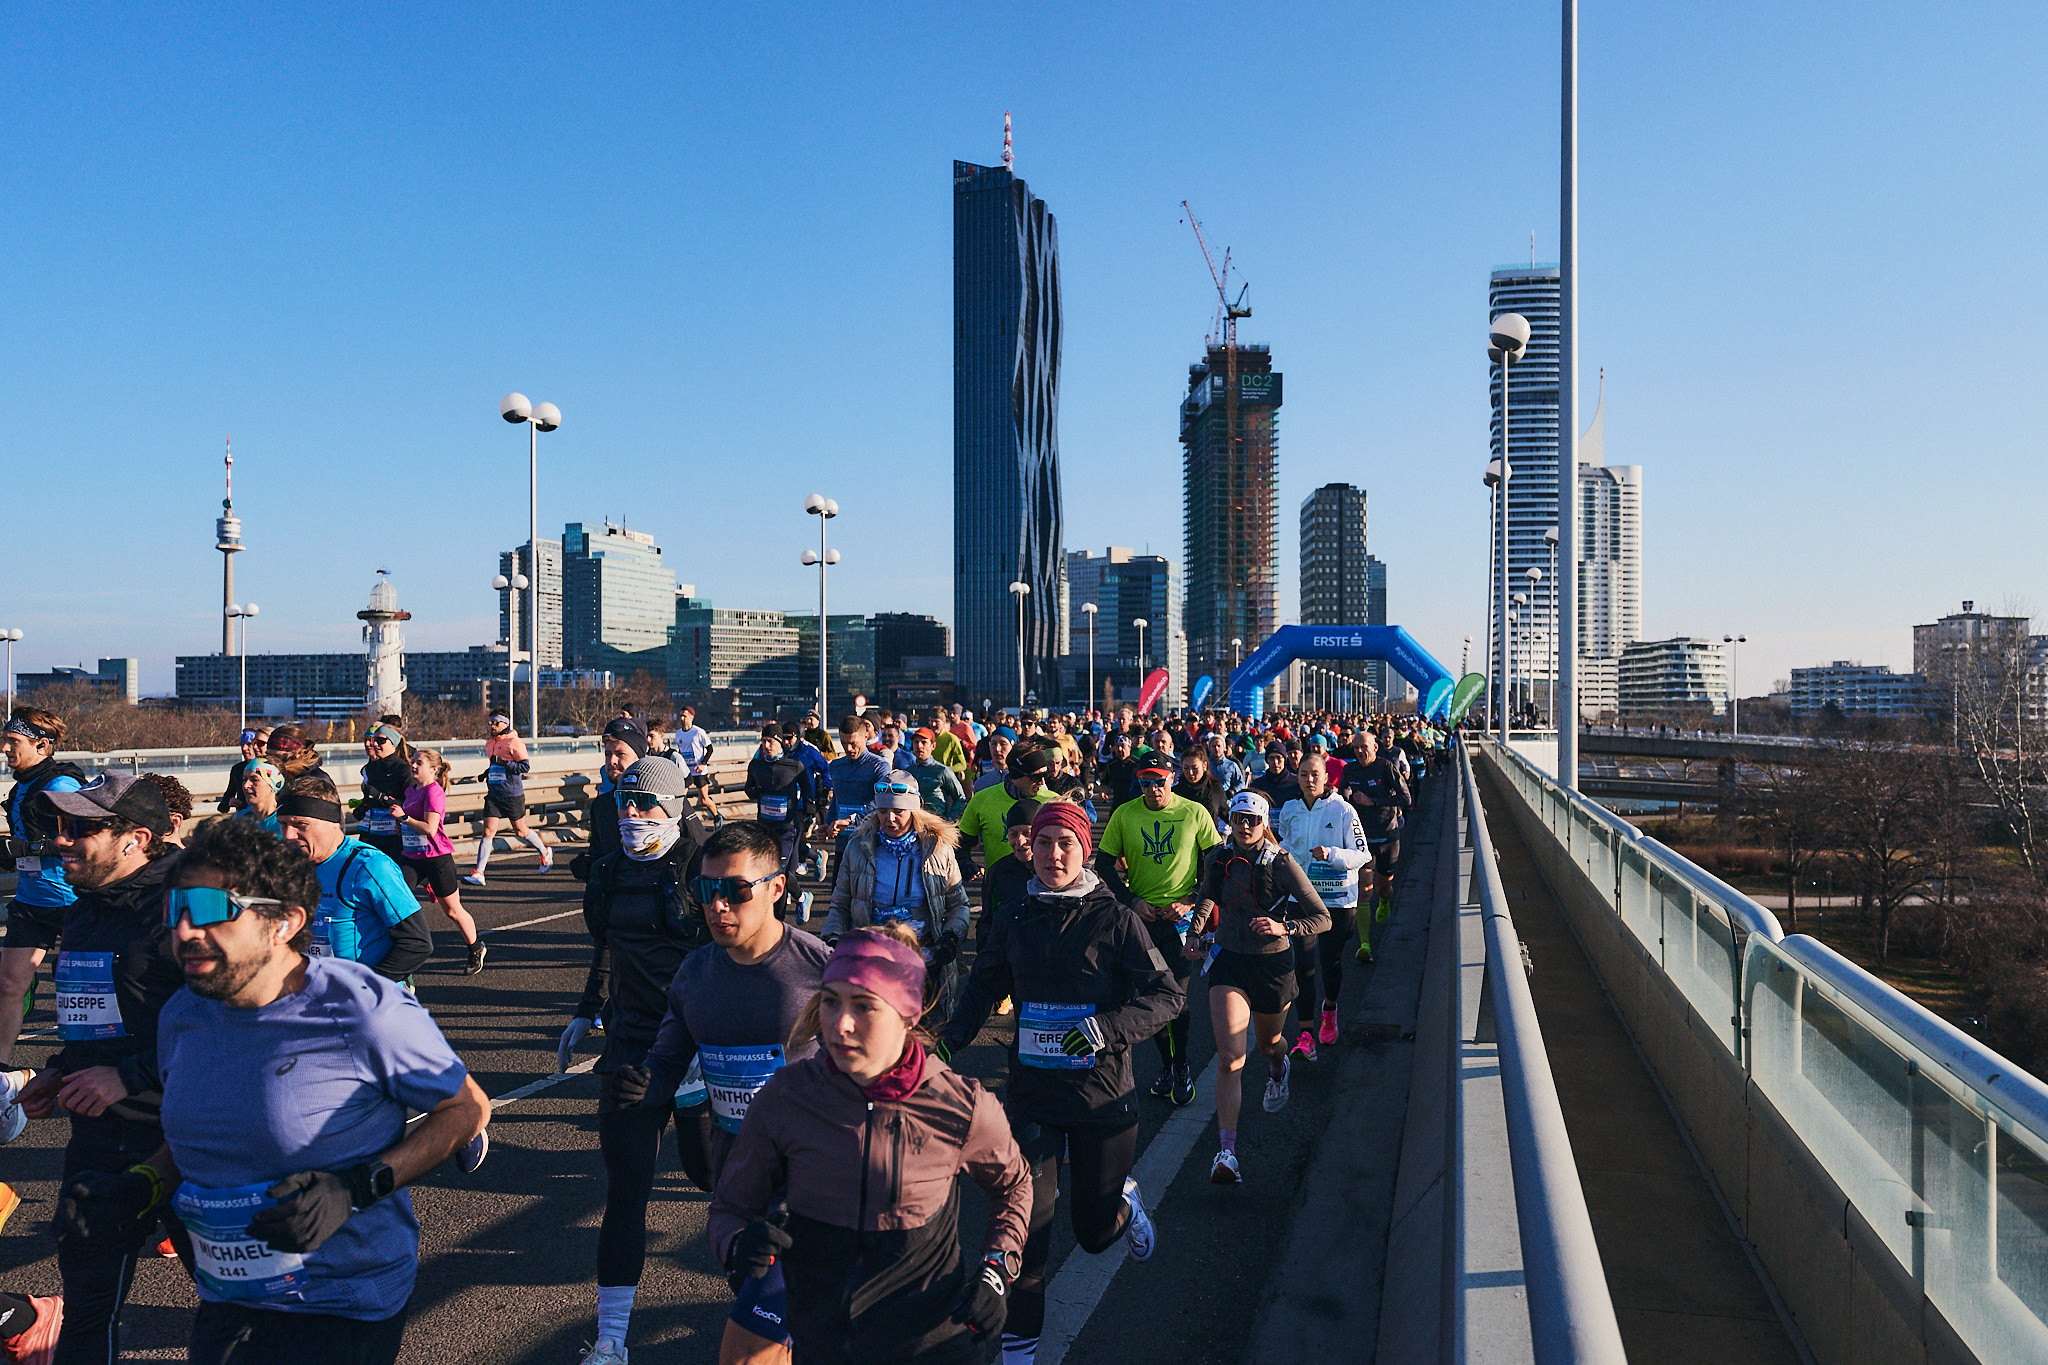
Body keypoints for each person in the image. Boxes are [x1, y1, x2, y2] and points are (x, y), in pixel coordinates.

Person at [123, 816, 487, 1363]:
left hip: (340, 1302)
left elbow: (466, 1109)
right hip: (228, 1293)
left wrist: (355, 1188)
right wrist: (141, 1184)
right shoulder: (183, 1014)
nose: (183, 932)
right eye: (174, 911)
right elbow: (206, 1132)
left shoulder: (358, 1008)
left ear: (283, 922)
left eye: (208, 910)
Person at [711, 929, 1030, 1365]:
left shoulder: (961, 1103)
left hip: (932, 1347)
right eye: (830, 1001)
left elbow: (1014, 1183)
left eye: (864, 1006)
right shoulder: (786, 1096)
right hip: (822, 1345)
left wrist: (998, 1268)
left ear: (909, 1014)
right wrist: (736, 1246)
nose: (841, 1023)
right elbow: (729, 1209)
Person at [939, 804, 1181, 1365]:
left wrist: (1106, 1029)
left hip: (1101, 1098)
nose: (1052, 854)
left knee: (1094, 1234)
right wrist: (945, 1046)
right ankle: (1019, 1358)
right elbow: (982, 987)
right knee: (1030, 1236)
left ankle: (1124, 1200)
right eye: (1043, 843)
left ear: (1085, 851)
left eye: (1065, 843)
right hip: (1032, 1098)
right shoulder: (1015, 918)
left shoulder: (1116, 919)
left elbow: (1166, 996)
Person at [594, 821, 833, 1365]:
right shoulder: (694, 974)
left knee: (750, 1351)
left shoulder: (820, 968)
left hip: (810, 1186)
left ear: (777, 888)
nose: (717, 905)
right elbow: (667, 1061)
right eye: (706, 891)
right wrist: (643, 1084)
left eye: (735, 890)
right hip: (737, 1184)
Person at [13, 773, 183, 1362]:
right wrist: (61, 1069)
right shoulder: (85, 906)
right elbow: (104, 1015)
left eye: (81, 828)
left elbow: (240, 1027)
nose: (61, 840)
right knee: (89, 1311)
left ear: (137, 838)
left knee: (241, 1312)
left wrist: (132, 1076)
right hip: (102, 1140)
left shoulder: (196, 901)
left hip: (193, 1140)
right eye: (58, 826)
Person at [569, 756, 710, 1365]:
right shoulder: (607, 870)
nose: (631, 813)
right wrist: (587, 1008)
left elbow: (750, 950)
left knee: (716, 1179)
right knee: (627, 1186)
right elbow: (609, 946)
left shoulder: (709, 869)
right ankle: (611, 1340)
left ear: (675, 807)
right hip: (630, 1049)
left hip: (701, 1052)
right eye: (625, 802)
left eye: (645, 803)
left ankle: (772, 1304)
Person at [1183, 790, 1328, 1182]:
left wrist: (1285, 926)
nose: (1244, 826)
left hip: (1272, 965)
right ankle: (1226, 1153)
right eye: (1237, 818)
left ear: (1265, 823)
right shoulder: (1217, 857)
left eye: (1252, 819)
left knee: (1267, 1045)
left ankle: (1278, 1064)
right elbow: (1206, 899)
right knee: (1231, 1057)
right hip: (1228, 961)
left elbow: (1322, 917)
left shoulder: (1280, 863)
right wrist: (1195, 935)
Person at [1094, 757, 1220, 1107]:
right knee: (1151, 999)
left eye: (1160, 782)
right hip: (1141, 921)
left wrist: (1190, 899)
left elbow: (1216, 863)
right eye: (1146, 783)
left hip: (1182, 922)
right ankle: (1168, 1066)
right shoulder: (1124, 813)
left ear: (1172, 778)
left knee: (1177, 999)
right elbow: (1104, 863)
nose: (1153, 790)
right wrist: (1131, 901)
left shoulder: (1194, 812)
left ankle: (1181, 1066)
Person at [821, 777, 970, 1007]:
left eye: (898, 811)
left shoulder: (938, 848)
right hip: (870, 960)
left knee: (921, 1034)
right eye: (883, 811)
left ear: (914, 810)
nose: (889, 819)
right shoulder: (858, 847)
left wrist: (950, 938)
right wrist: (832, 939)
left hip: (924, 961)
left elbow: (959, 904)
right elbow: (840, 904)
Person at [276, 776, 434, 985]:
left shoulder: (370, 866)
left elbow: (417, 942)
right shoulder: (289, 865)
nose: (288, 835)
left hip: (366, 1004)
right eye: (283, 824)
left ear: (332, 823)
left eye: (300, 825)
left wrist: (362, 988)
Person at [1, 706, 85, 1069]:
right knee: (7, 985)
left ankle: (78, 1067)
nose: (4, 748)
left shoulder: (61, 785)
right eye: (4, 740)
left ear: (42, 746)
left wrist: (30, 848)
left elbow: (85, 841)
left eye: (13, 741)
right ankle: (2, 1070)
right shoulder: (22, 786)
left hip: (72, 902)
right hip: (31, 901)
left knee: (73, 992)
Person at [1272, 756, 1372, 1056]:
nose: (1309, 780)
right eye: (1303, 774)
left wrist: (1331, 854)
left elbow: (1362, 854)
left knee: (1330, 962)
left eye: (1315, 774)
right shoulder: (1290, 809)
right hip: (1300, 899)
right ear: (1298, 777)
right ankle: (1305, 1032)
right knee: (1302, 966)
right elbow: (1285, 844)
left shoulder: (1344, 810)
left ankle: (1329, 1009)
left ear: (1327, 777)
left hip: (1337, 900)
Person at [390, 747, 485, 974]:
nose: (413, 765)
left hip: (436, 858)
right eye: (413, 761)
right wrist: (400, 824)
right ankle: (400, 949)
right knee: (394, 899)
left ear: (433, 769)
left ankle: (475, 948)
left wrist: (404, 817)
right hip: (411, 858)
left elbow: (431, 829)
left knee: (452, 911)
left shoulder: (434, 792)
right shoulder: (410, 789)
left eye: (418, 763)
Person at [1339, 730, 1412, 951]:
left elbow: (1406, 798)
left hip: (1387, 835)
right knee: (1364, 889)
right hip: (1362, 839)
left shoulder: (1386, 767)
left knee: (1383, 887)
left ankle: (1385, 900)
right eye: (1356, 748)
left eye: (1364, 747)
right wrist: (1342, 796)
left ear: (1375, 748)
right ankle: (1364, 944)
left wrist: (1374, 801)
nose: (1360, 751)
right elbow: (1344, 793)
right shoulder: (1349, 770)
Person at [466, 713, 552, 887]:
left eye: (495, 723)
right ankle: (479, 873)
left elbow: (524, 767)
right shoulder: (490, 743)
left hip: (512, 794)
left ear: (505, 723)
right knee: (488, 832)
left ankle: (545, 852)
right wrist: (487, 772)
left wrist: (504, 763)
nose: (492, 726)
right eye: (490, 722)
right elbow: (494, 764)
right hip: (494, 795)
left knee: (520, 831)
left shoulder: (515, 742)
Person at [744, 726, 817, 923]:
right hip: (765, 827)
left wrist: (810, 806)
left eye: (771, 741)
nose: (767, 746)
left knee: (780, 869)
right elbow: (748, 789)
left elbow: (809, 789)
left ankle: (792, 907)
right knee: (771, 871)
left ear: (780, 743)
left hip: (788, 827)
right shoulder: (756, 766)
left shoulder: (795, 766)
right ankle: (790, 908)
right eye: (764, 741)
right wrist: (756, 791)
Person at [353, 724, 412, 869]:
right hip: (372, 833)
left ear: (393, 744)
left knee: (392, 874)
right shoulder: (370, 768)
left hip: (395, 834)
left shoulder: (404, 769)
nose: (375, 744)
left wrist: (381, 797)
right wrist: (362, 807)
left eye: (381, 741)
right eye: (374, 740)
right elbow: (370, 799)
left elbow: (407, 803)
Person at [902, 728, 969, 822]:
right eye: (916, 742)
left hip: (935, 824)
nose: (919, 746)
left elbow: (960, 799)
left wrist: (948, 820)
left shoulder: (942, 771)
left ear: (933, 746)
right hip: (911, 824)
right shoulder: (907, 772)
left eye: (924, 742)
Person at [215, 727, 272, 815]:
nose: (244, 748)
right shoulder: (237, 769)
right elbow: (229, 793)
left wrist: (242, 804)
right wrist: (225, 804)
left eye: (249, 745)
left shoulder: (269, 768)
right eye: (242, 745)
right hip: (244, 819)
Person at [1173, 750, 1230, 830]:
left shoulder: (1215, 789)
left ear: (1204, 766)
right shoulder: (1175, 792)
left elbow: (1225, 813)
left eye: (1194, 768)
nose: (1190, 772)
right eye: (1186, 768)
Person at [235, 759, 284, 834]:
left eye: (254, 780)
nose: (245, 786)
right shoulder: (239, 819)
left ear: (272, 786)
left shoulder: (284, 824)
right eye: (245, 779)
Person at [1249, 741, 1300, 807]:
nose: (1275, 762)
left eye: (1278, 758)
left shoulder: (1297, 783)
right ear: (1267, 760)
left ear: (1284, 759)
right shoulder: (1257, 786)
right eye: (1271, 758)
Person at [673, 705, 712, 785]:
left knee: (704, 797)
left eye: (684, 716)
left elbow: (710, 749)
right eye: (681, 716)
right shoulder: (678, 734)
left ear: (691, 717)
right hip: (686, 771)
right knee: (682, 795)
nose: (682, 718)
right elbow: (680, 751)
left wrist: (703, 764)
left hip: (698, 771)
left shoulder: (698, 732)